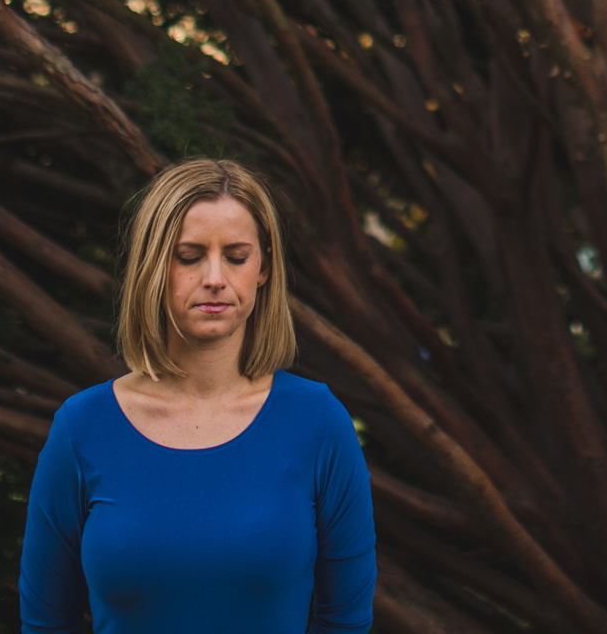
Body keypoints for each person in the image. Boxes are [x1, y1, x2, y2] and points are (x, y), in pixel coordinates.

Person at [20, 158, 375, 634]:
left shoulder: (318, 422)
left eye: (236, 256)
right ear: (153, 267)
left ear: (264, 267)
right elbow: (46, 622)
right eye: (189, 256)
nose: (214, 277)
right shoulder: (81, 428)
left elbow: (347, 621)